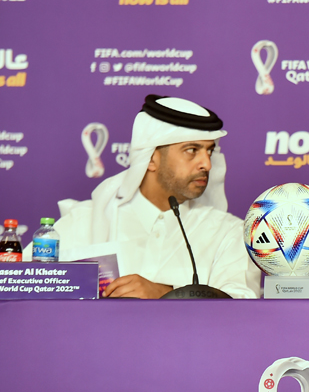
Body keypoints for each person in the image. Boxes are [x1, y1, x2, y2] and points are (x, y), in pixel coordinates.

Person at [51, 95, 260, 299]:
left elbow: (240, 304)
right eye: (192, 150)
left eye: (209, 151)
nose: (206, 164)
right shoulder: (83, 222)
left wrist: (167, 295)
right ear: (150, 159)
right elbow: (27, 285)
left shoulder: (227, 233)